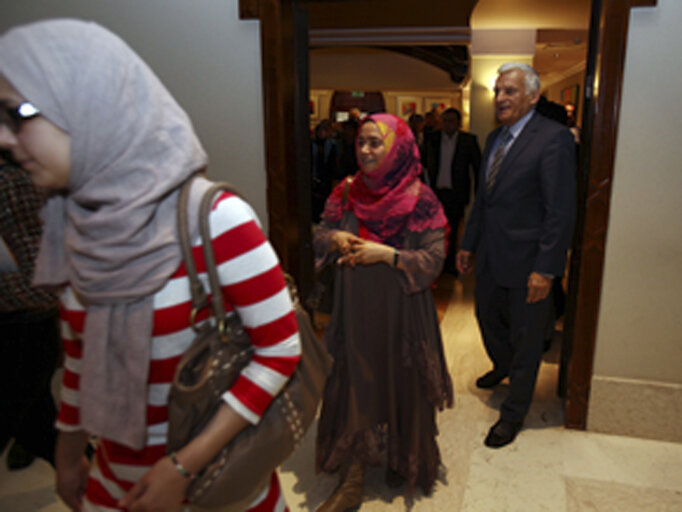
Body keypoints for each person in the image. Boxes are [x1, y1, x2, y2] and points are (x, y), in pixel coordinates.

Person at [0, 19, 300, 512]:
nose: (8, 139)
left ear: (92, 107)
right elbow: (80, 358)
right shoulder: (71, 225)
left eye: (22, 113)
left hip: (216, 487)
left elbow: (281, 350)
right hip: (113, 483)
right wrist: (70, 451)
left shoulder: (217, 220)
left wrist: (183, 467)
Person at [314, 113, 453, 511]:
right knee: (356, 380)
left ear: (398, 147)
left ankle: (399, 457)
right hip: (355, 310)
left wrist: (387, 255)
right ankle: (352, 479)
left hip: (403, 311)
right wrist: (336, 236)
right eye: (362, 142)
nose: (366, 150)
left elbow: (433, 259)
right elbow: (319, 234)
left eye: (376, 143)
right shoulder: (345, 191)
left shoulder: (420, 197)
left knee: (399, 380)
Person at [457, 63, 576, 448]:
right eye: (498, 91)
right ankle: (502, 365)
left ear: (532, 96)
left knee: (526, 338)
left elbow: (560, 211)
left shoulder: (553, 138)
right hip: (492, 255)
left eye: (510, 91)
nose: (501, 98)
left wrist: (546, 269)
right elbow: (484, 202)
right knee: (486, 316)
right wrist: (467, 244)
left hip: (529, 263)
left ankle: (513, 413)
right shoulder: (494, 138)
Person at [0, 152, 60, 471]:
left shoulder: (12, 181)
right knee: (41, 428)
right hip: (21, 326)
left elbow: (38, 282)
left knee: (38, 425)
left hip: (25, 325)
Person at [423, 107, 481, 275]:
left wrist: (479, 195)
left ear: (458, 123)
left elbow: (478, 169)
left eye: (451, 121)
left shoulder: (468, 140)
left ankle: (449, 266)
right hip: (436, 194)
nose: (448, 124)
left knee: (454, 230)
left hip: (456, 194)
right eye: (445, 120)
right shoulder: (432, 139)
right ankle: (436, 264)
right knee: (435, 231)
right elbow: (423, 165)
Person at [311, 119, 338, 223]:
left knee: (325, 198)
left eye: (324, 131)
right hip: (315, 173)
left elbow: (333, 161)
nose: (322, 133)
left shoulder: (331, 145)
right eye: (320, 131)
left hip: (327, 175)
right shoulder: (312, 144)